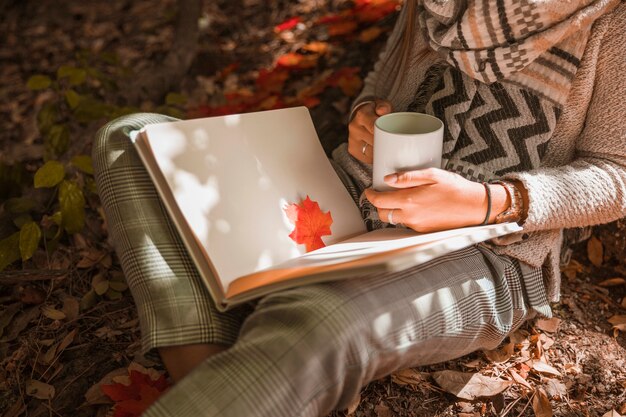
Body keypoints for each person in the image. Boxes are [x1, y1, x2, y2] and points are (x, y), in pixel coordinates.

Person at [92, 0, 626, 415]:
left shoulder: (611, 19)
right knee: (132, 139)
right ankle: (217, 375)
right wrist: (366, 117)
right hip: (352, 196)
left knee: (319, 318)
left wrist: (488, 200)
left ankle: (244, 381)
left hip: (494, 249)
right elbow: (382, 87)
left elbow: (617, 172)